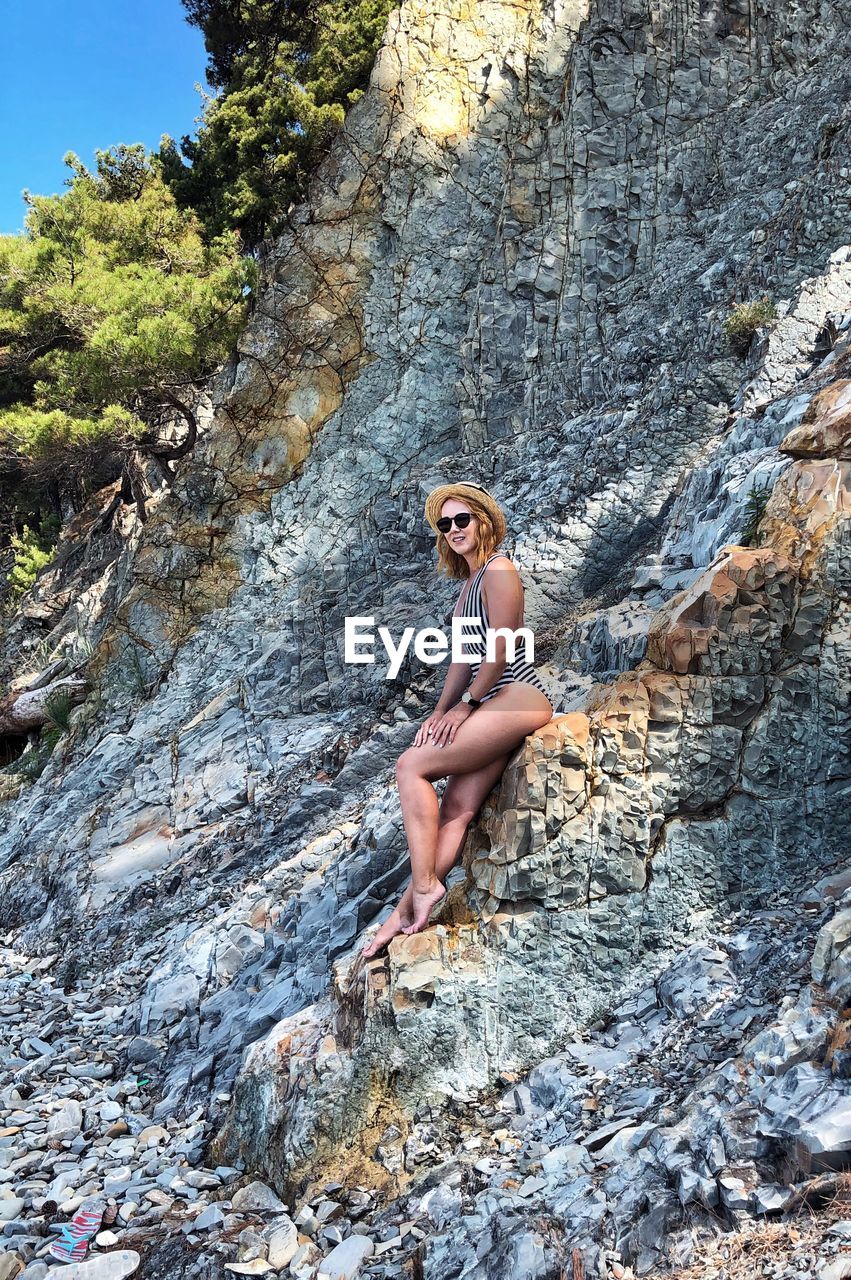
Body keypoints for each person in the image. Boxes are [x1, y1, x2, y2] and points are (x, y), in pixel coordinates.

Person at [362, 481, 554, 957]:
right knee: (456, 812)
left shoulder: (500, 569)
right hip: (489, 700)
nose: (452, 530)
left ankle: (425, 885)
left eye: (460, 519)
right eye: (443, 524)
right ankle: (403, 914)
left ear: (483, 521)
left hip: (516, 695)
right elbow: (462, 660)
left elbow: (502, 644)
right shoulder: (469, 585)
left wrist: (467, 703)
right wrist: (440, 711)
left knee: (411, 766)